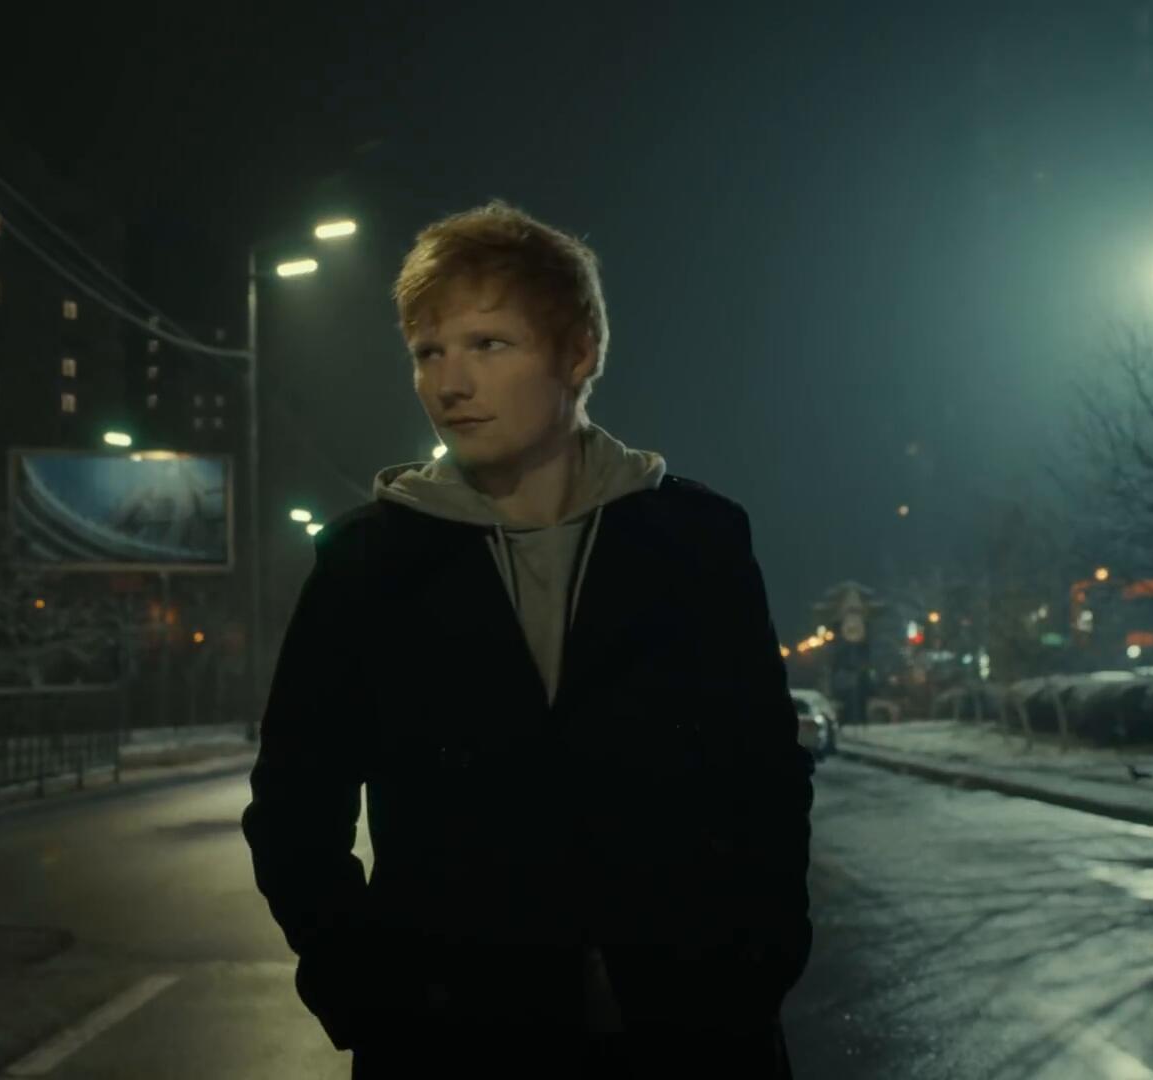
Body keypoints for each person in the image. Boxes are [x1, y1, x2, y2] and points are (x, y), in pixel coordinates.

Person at [241, 200, 813, 1078]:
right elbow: (293, 807)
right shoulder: (369, 564)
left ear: (578, 353)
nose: (449, 383)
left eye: (487, 344)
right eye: (428, 352)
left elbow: (764, 773)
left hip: (691, 1029)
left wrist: (759, 964)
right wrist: (364, 990)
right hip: (452, 1038)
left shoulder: (695, 540)